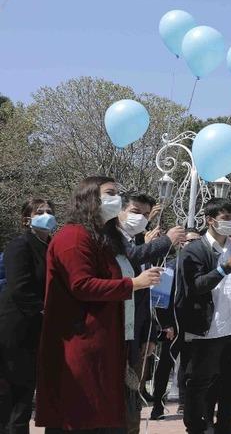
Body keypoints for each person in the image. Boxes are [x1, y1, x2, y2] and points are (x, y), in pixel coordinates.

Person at [37, 176, 163, 433]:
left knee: (104, 418)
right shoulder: (73, 237)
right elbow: (82, 285)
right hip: (80, 344)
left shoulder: (102, 239)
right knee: (79, 416)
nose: (117, 199)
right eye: (110, 193)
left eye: (118, 193)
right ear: (89, 197)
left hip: (106, 342)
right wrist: (133, 284)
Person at [175, 198, 231, 434]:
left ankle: (225, 427)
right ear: (210, 220)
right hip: (208, 330)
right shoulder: (194, 250)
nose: (230, 222)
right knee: (199, 384)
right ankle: (196, 428)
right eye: (225, 218)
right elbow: (195, 286)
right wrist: (225, 268)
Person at [114, 194, 185, 432]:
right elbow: (132, 257)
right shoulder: (112, 240)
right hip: (114, 332)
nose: (141, 218)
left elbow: (146, 297)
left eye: (146, 215)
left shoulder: (138, 242)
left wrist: (149, 335)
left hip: (137, 334)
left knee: (132, 397)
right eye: (136, 212)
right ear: (120, 211)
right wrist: (166, 241)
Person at [0, 198, 55, 434]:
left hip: (38, 331)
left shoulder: (53, 247)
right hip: (16, 329)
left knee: (25, 397)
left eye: (49, 211)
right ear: (26, 219)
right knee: (12, 400)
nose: (46, 215)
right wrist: (45, 312)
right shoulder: (19, 246)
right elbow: (19, 288)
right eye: (39, 212)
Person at [149, 228, 203, 420]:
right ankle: (158, 405)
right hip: (172, 326)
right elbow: (159, 299)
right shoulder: (170, 266)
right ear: (181, 243)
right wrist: (165, 324)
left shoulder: (202, 266)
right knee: (165, 366)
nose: (193, 245)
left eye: (197, 241)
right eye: (190, 241)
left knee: (189, 367)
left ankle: (185, 403)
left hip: (194, 325)